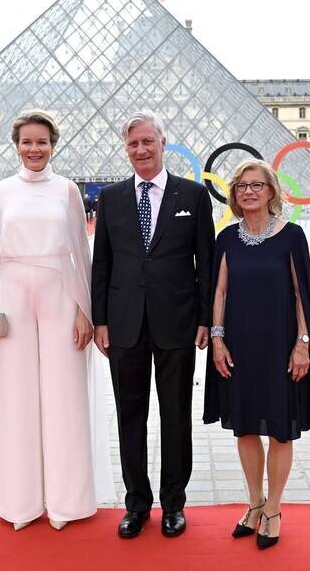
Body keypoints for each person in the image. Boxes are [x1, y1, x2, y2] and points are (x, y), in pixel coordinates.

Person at [0, 109, 113, 532]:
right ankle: (20, 501)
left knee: (64, 395)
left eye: (42, 142)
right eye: (27, 142)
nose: (35, 149)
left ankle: (68, 501)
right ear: (16, 145)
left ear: (53, 145)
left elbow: (79, 250)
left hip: (59, 291)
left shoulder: (68, 190)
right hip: (12, 294)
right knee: (16, 398)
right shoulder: (0, 191)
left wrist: (85, 310)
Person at [91, 111, 214, 539]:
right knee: (130, 417)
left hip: (178, 324)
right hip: (124, 325)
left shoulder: (194, 196)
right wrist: (100, 319)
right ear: (125, 149)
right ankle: (137, 504)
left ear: (164, 143)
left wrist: (205, 319)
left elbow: (207, 263)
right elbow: (101, 263)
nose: (140, 150)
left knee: (175, 416)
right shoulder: (111, 198)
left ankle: (174, 504)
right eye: (132, 144)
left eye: (147, 142)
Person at [202, 159, 310, 550]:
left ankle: (274, 508)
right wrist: (217, 340)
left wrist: (302, 344)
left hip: (280, 346)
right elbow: (218, 292)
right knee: (246, 426)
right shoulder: (227, 239)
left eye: (256, 185)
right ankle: (254, 503)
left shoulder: (292, 236)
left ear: (271, 191)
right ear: (234, 195)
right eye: (241, 186)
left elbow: (302, 293)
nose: (248, 191)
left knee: (282, 429)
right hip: (238, 346)